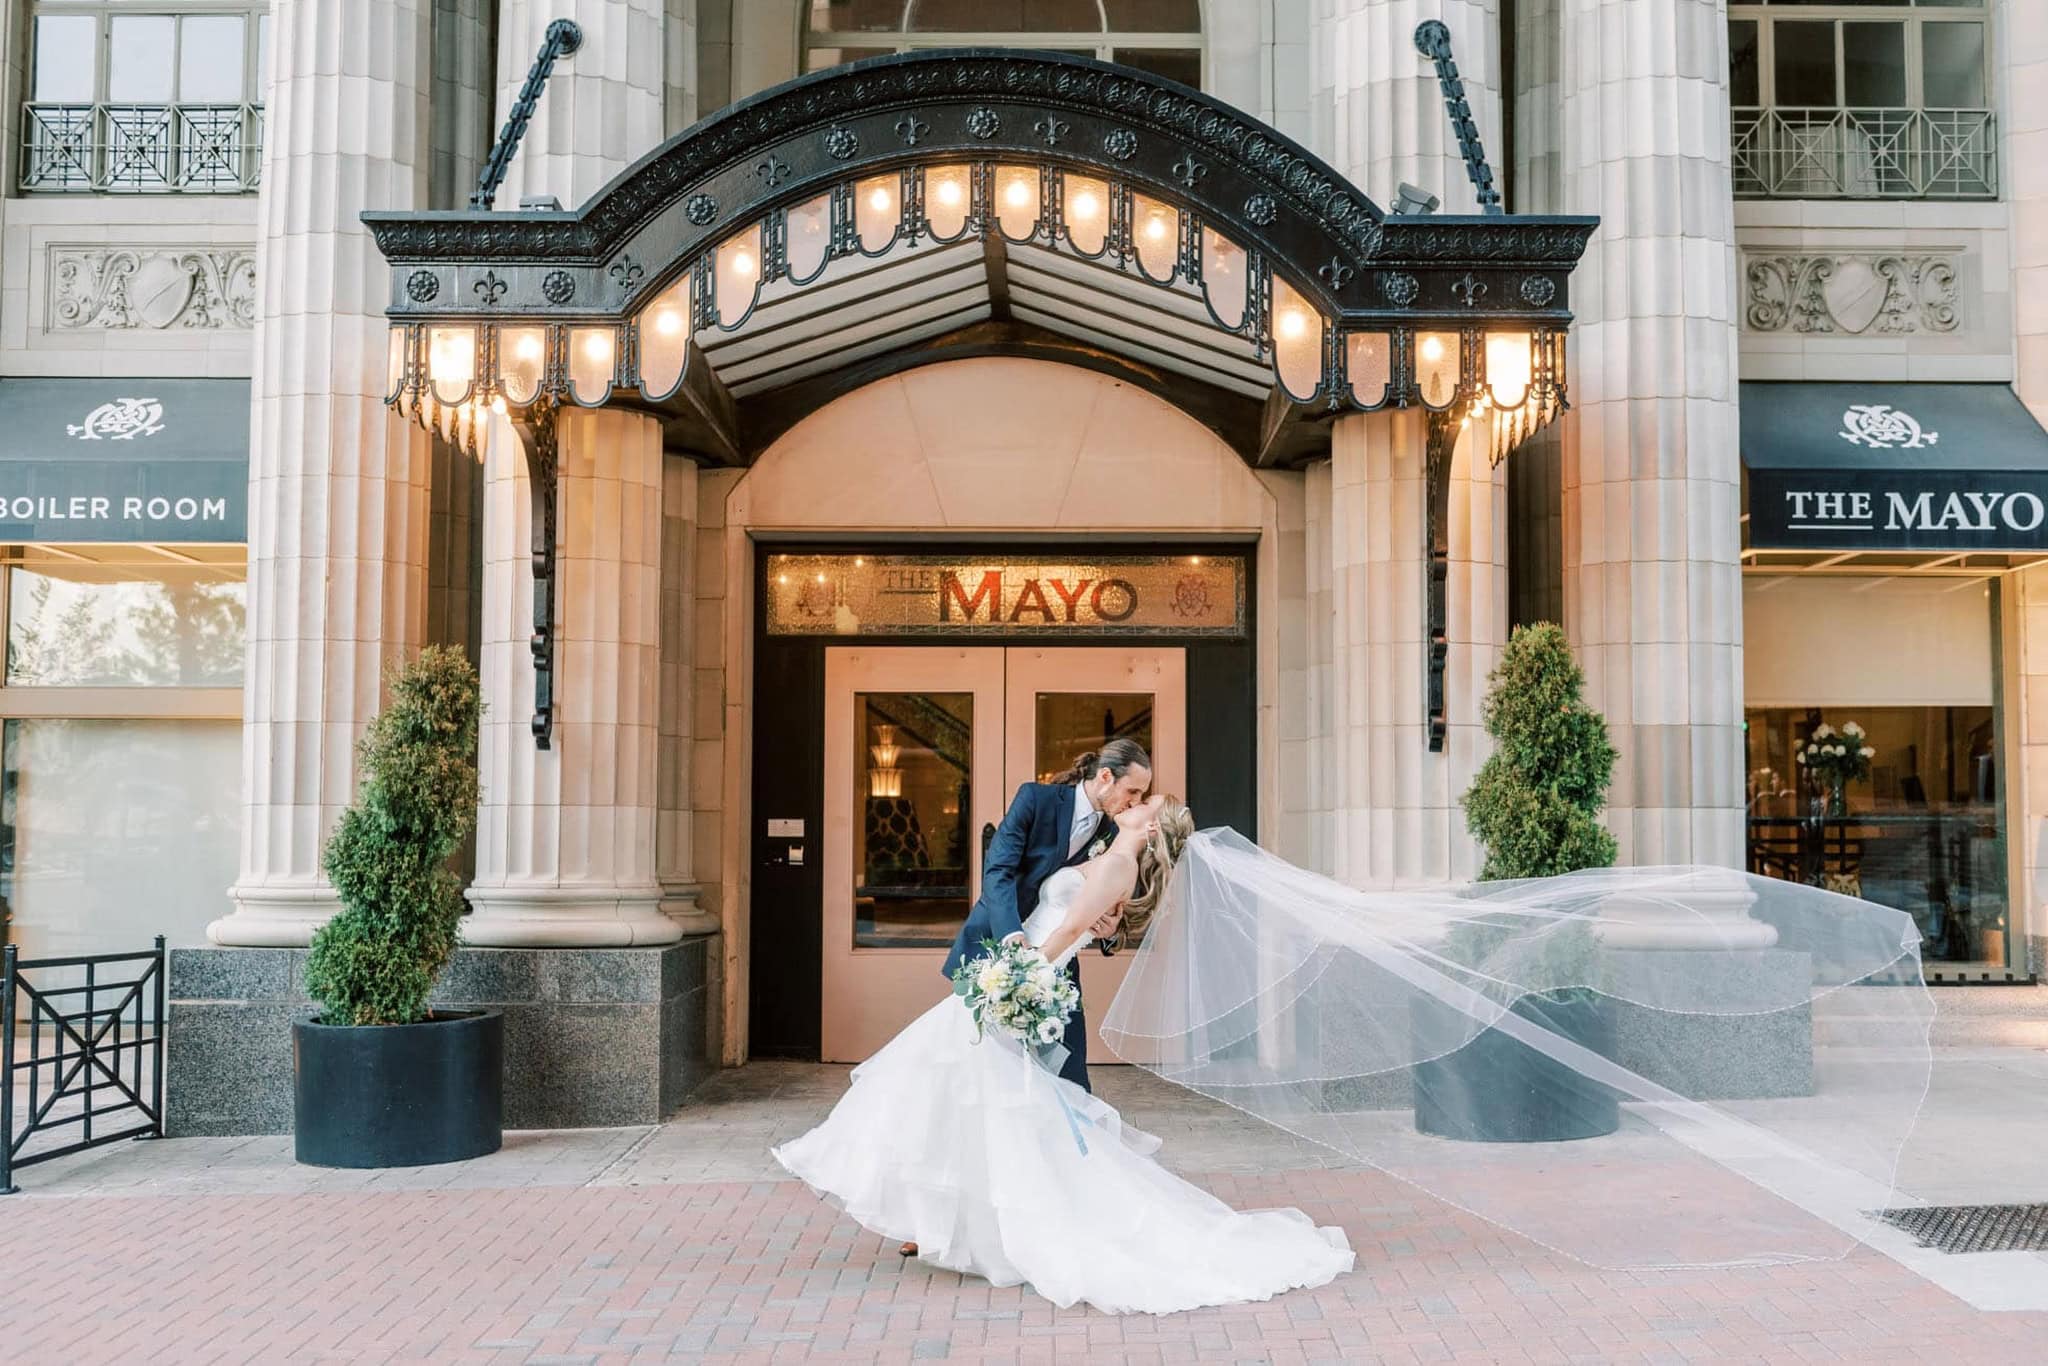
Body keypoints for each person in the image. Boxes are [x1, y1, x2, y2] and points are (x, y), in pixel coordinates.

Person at [773, 795, 1357, 1316]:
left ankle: (988, 1226)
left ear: (1151, 830)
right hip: (1022, 974)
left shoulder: (1119, 863)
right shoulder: (1110, 854)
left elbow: (1069, 929)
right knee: (976, 1101)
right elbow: (1076, 911)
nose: (1139, 801)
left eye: (1149, 804)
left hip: (1023, 976)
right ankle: (966, 1226)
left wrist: (1014, 977)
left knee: (964, 1092)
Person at [942, 737, 1154, 1093]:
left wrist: (1112, 928)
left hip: (1057, 968)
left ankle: (1070, 1148)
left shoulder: (1118, 832)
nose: (1134, 802)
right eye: (1131, 791)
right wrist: (1012, 936)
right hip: (994, 949)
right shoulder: (1034, 799)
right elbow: (998, 871)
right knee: (977, 1072)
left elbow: (1114, 901)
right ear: (1105, 777)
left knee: (1068, 1077)